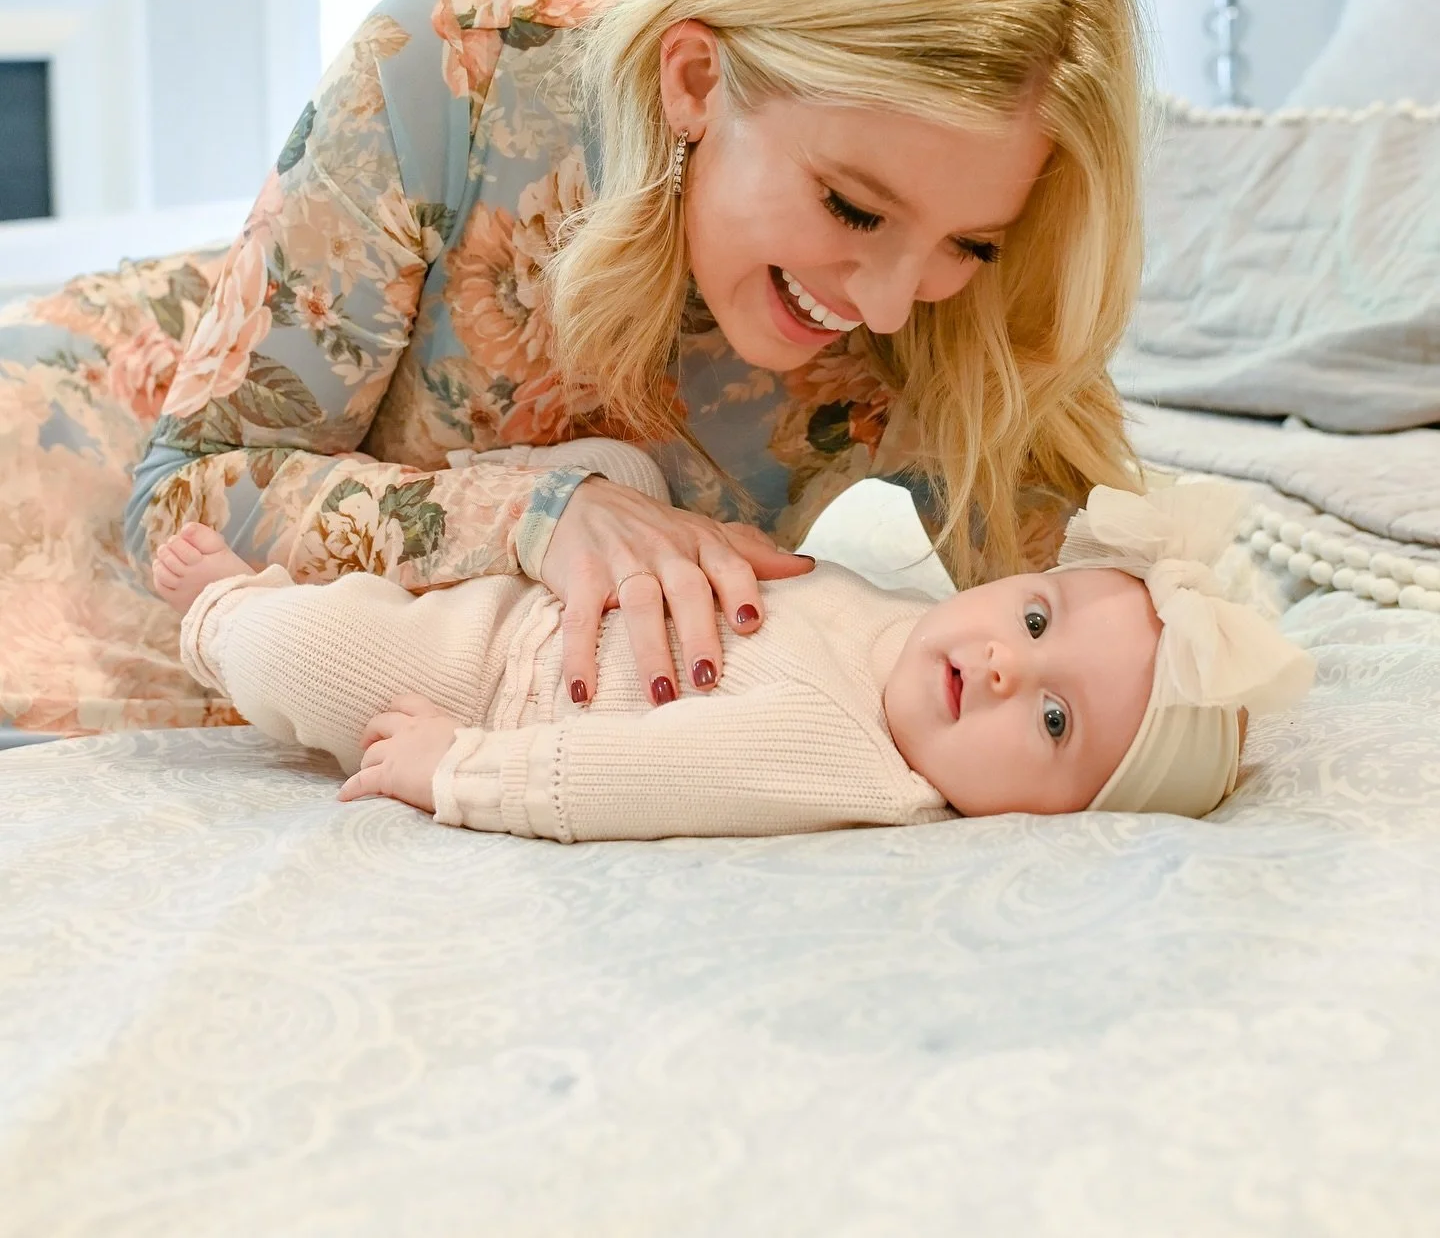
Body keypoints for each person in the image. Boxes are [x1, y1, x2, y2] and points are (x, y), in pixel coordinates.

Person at [127, 0, 1146, 715]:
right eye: (852, 207)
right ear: (695, 77)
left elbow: (1108, 631)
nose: (886, 307)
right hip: (129, 396)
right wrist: (542, 516)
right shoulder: (465, 59)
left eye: (970, 244)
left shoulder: (956, 301)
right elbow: (177, 500)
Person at [152, 460, 1313, 836]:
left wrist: (460, 769)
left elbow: (629, 780)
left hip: (498, 683)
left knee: (309, 655)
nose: (1010, 665)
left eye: (1054, 723)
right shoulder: (906, 614)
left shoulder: (852, 759)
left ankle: (224, 610)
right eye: (1037, 616)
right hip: (568, 590)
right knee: (631, 464)